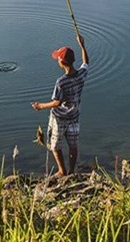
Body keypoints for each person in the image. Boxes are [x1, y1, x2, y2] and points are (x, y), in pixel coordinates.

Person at [31, 34, 89, 176]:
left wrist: (40, 106)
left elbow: (56, 102)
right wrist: (82, 46)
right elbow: (86, 62)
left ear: (62, 62)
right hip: (74, 117)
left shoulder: (61, 82)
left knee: (55, 146)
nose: (57, 59)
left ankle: (62, 171)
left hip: (59, 119)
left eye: (58, 58)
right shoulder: (81, 75)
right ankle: (71, 171)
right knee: (73, 146)